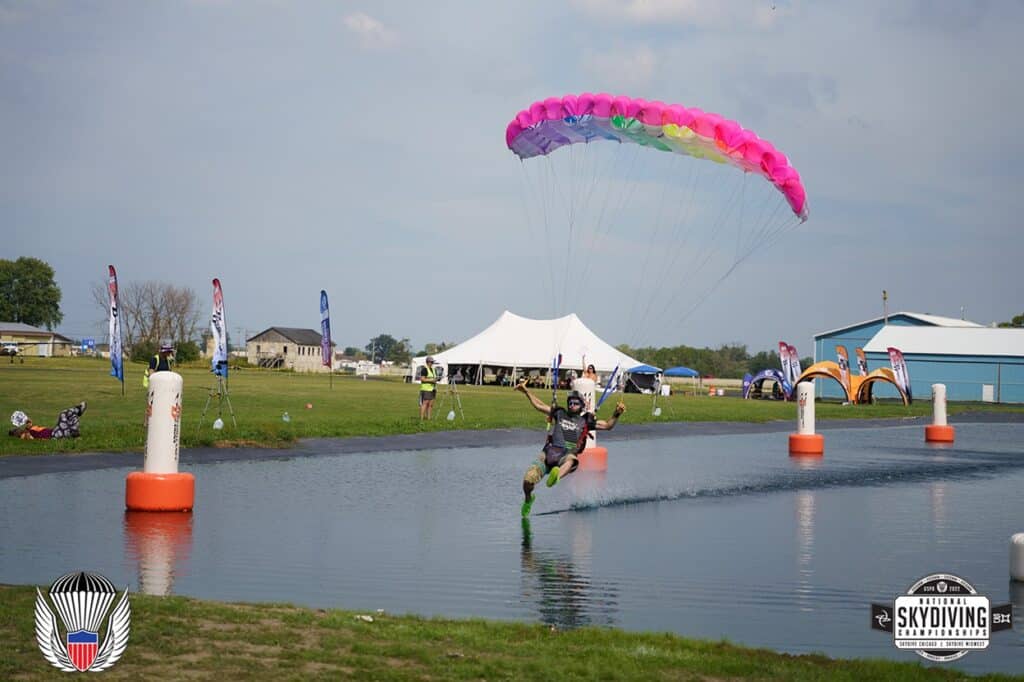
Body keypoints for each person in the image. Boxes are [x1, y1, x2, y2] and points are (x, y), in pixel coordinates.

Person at [516, 380, 625, 517]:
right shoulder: (559, 413)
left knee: (571, 461)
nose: (572, 405)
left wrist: (616, 414)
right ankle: (528, 499)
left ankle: (556, 477)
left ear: (581, 405)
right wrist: (526, 391)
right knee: (528, 480)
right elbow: (539, 405)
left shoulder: (586, 421)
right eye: (570, 403)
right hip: (548, 452)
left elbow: (608, 425)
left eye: (576, 403)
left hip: (566, 455)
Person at [8, 403, 87, 440]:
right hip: (55, 435)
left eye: (15, 429)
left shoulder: (27, 429)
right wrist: (26, 431)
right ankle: (78, 410)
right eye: (15, 431)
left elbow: (29, 423)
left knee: (72, 417)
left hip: (56, 431)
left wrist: (26, 420)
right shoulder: (24, 436)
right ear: (15, 435)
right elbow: (30, 438)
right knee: (63, 414)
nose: (17, 429)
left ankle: (74, 433)